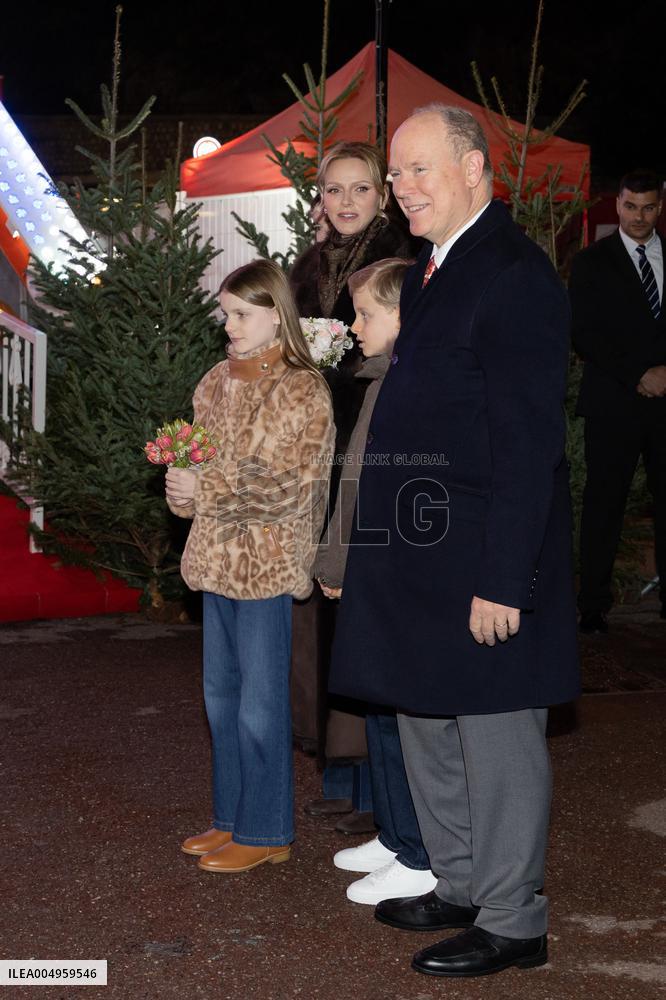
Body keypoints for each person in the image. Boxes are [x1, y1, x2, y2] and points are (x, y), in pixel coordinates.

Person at [329, 104, 580, 978]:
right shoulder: (438, 267)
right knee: (428, 717)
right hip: (423, 560)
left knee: (497, 738)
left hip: (482, 562)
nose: (401, 189)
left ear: (474, 168)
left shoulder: (513, 275)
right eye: (395, 174)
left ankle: (515, 920)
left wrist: (506, 578)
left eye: (418, 170)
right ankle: (463, 882)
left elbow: (527, 441)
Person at [165, 259, 334, 873]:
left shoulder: (301, 387)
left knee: (261, 704)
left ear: (276, 315)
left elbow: (290, 482)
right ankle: (231, 818)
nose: (228, 324)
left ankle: (267, 832)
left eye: (241, 314)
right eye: (225, 314)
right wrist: (181, 490)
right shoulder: (214, 381)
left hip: (264, 564)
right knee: (220, 699)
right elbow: (197, 459)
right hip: (214, 559)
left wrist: (203, 490)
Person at [289, 141, 420, 834]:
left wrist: (338, 363)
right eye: (334, 190)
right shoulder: (308, 266)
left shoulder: (399, 259)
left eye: (360, 190)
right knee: (321, 610)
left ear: (382, 196)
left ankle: (379, 780)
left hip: (372, 443)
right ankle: (337, 764)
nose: (345, 202)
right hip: (315, 449)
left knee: (364, 603)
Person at [314, 258, 436, 906]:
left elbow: (370, 489)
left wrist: (338, 563)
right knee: (380, 712)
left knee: (400, 715)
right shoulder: (376, 378)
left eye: (366, 314)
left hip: (389, 573)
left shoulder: (403, 384)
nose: (353, 325)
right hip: (367, 571)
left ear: (403, 316)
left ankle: (420, 849)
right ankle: (396, 835)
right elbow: (350, 486)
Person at [569, 169, 666, 632]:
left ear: (660, 206)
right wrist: (638, 374)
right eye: (631, 206)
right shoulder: (592, 262)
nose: (639, 216)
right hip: (613, 400)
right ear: (618, 204)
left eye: (648, 207)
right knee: (604, 503)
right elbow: (584, 332)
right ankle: (593, 604)